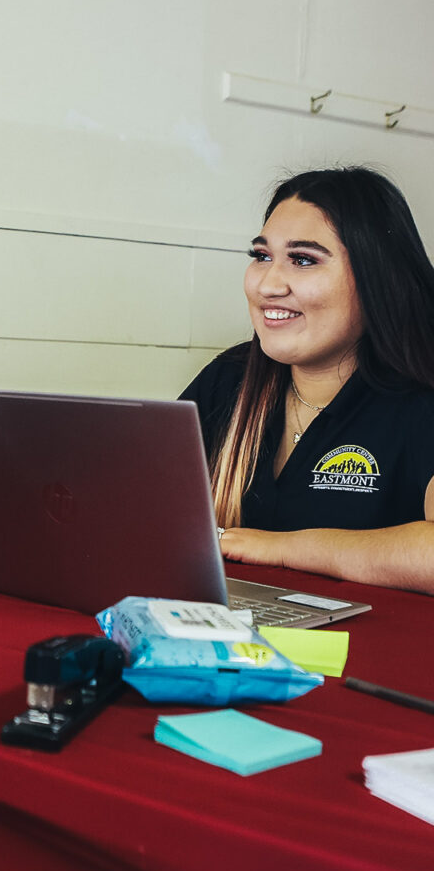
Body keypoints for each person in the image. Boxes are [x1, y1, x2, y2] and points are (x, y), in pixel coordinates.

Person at [181, 166, 434, 593]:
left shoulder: (421, 398)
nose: (268, 284)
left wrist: (283, 549)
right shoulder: (228, 379)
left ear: (377, 279)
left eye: (303, 260)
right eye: (262, 257)